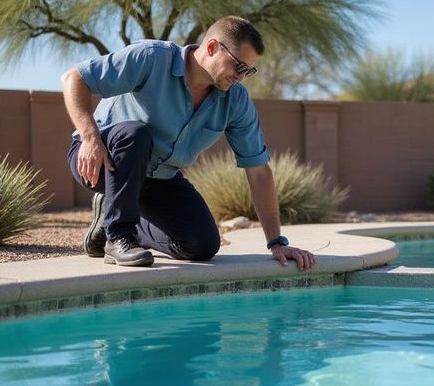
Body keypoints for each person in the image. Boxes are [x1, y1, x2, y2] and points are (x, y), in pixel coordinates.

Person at [61, 15, 316, 270]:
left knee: (202, 244)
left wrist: (277, 242)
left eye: (248, 71)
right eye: (238, 66)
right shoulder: (152, 57)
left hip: (159, 177)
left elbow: (259, 171)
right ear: (213, 47)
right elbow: (74, 78)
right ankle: (119, 236)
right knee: (136, 133)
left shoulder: (235, 100)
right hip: (102, 162)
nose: (241, 77)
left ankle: (123, 223)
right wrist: (90, 138)